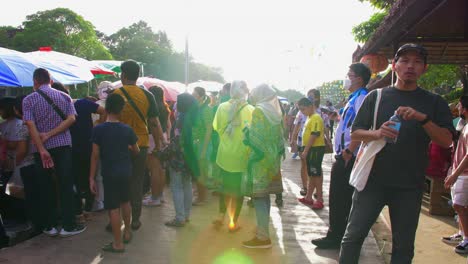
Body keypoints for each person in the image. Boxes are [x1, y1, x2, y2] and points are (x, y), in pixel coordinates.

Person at [340, 44, 453, 263]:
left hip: (410, 186)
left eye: (417, 62)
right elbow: (356, 133)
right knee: (353, 237)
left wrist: (424, 119)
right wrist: (377, 132)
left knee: (403, 246)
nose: (410, 66)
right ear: (394, 66)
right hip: (372, 181)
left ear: (424, 69)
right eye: (404, 61)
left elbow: (447, 140)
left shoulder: (434, 102)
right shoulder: (377, 96)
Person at [312, 62, 370, 249]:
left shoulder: (362, 98)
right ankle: (338, 234)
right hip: (345, 154)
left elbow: (363, 125)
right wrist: (337, 118)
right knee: (341, 198)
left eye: (349, 75)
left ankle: (336, 236)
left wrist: (349, 151)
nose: (347, 78)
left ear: (358, 79)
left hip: (348, 156)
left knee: (340, 198)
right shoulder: (353, 98)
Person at [22, 68, 86, 237]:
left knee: (46, 186)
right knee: (65, 185)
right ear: (50, 80)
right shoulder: (64, 96)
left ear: (35, 82)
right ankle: (68, 226)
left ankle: (49, 225)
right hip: (63, 146)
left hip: (40, 149)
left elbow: (30, 125)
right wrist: (51, 134)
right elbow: (72, 119)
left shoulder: (29, 100)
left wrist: (42, 148)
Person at [112, 60, 164, 230]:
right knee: (137, 182)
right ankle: (135, 219)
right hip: (140, 145)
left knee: (118, 181)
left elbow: (108, 121)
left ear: (123, 75)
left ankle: (115, 218)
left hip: (119, 145)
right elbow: (154, 122)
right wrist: (157, 144)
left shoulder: (116, 94)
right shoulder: (147, 95)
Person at [89, 93, 139, 253]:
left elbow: (95, 156)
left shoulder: (98, 130)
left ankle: (117, 243)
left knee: (113, 208)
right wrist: (127, 147)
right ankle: (128, 233)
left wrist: (91, 178)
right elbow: (137, 151)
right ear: (121, 109)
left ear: (107, 108)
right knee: (126, 202)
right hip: (126, 171)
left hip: (109, 173)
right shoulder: (127, 130)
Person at [242, 84, 284, 249]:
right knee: (265, 196)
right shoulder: (274, 112)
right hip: (272, 159)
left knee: (259, 197)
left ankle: (262, 237)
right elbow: (280, 138)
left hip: (259, 160)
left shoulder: (259, 111)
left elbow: (256, 137)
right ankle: (262, 231)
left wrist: (247, 132)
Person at [212, 80, 254, 231]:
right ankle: (233, 223)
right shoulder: (251, 110)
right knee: (238, 190)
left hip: (224, 154)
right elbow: (253, 134)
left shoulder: (222, 107)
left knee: (225, 186)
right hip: (242, 155)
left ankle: (220, 215)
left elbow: (216, 127)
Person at [162, 93, 199, 227]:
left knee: (177, 186)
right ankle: (186, 215)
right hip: (191, 156)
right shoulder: (195, 117)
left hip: (178, 157)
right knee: (187, 184)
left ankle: (179, 217)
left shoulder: (181, 118)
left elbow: (177, 139)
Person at [444, 96, 468, 254]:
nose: (457, 107)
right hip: (459, 171)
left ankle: (466, 238)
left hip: (465, 174)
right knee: (459, 206)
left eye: (460, 105)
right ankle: (462, 234)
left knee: (459, 205)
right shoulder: (464, 126)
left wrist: (454, 174)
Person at [143, 86, 171, 207]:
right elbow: (168, 124)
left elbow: (155, 124)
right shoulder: (165, 107)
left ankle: (154, 198)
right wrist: (166, 138)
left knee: (153, 169)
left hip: (153, 137)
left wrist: (159, 142)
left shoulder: (152, 108)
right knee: (160, 169)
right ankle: (160, 195)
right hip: (163, 136)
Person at [296, 97, 326, 209]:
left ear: (310, 106)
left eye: (303, 109)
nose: (302, 112)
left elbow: (314, 135)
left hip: (315, 149)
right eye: (300, 110)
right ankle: (309, 197)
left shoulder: (316, 118)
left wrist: (305, 150)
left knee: (316, 174)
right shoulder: (309, 117)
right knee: (312, 174)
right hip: (311, 149)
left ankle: (319, 199)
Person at [191, 86, 214, 205]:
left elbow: (209, 130)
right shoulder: (196, 108)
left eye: (194, 95)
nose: (192, 97)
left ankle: (202, 198)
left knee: (201, 172)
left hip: (203, 144)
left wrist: (204, 150)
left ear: (200, 97)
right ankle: (199, 194)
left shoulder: (206, 110)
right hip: (196, 143)